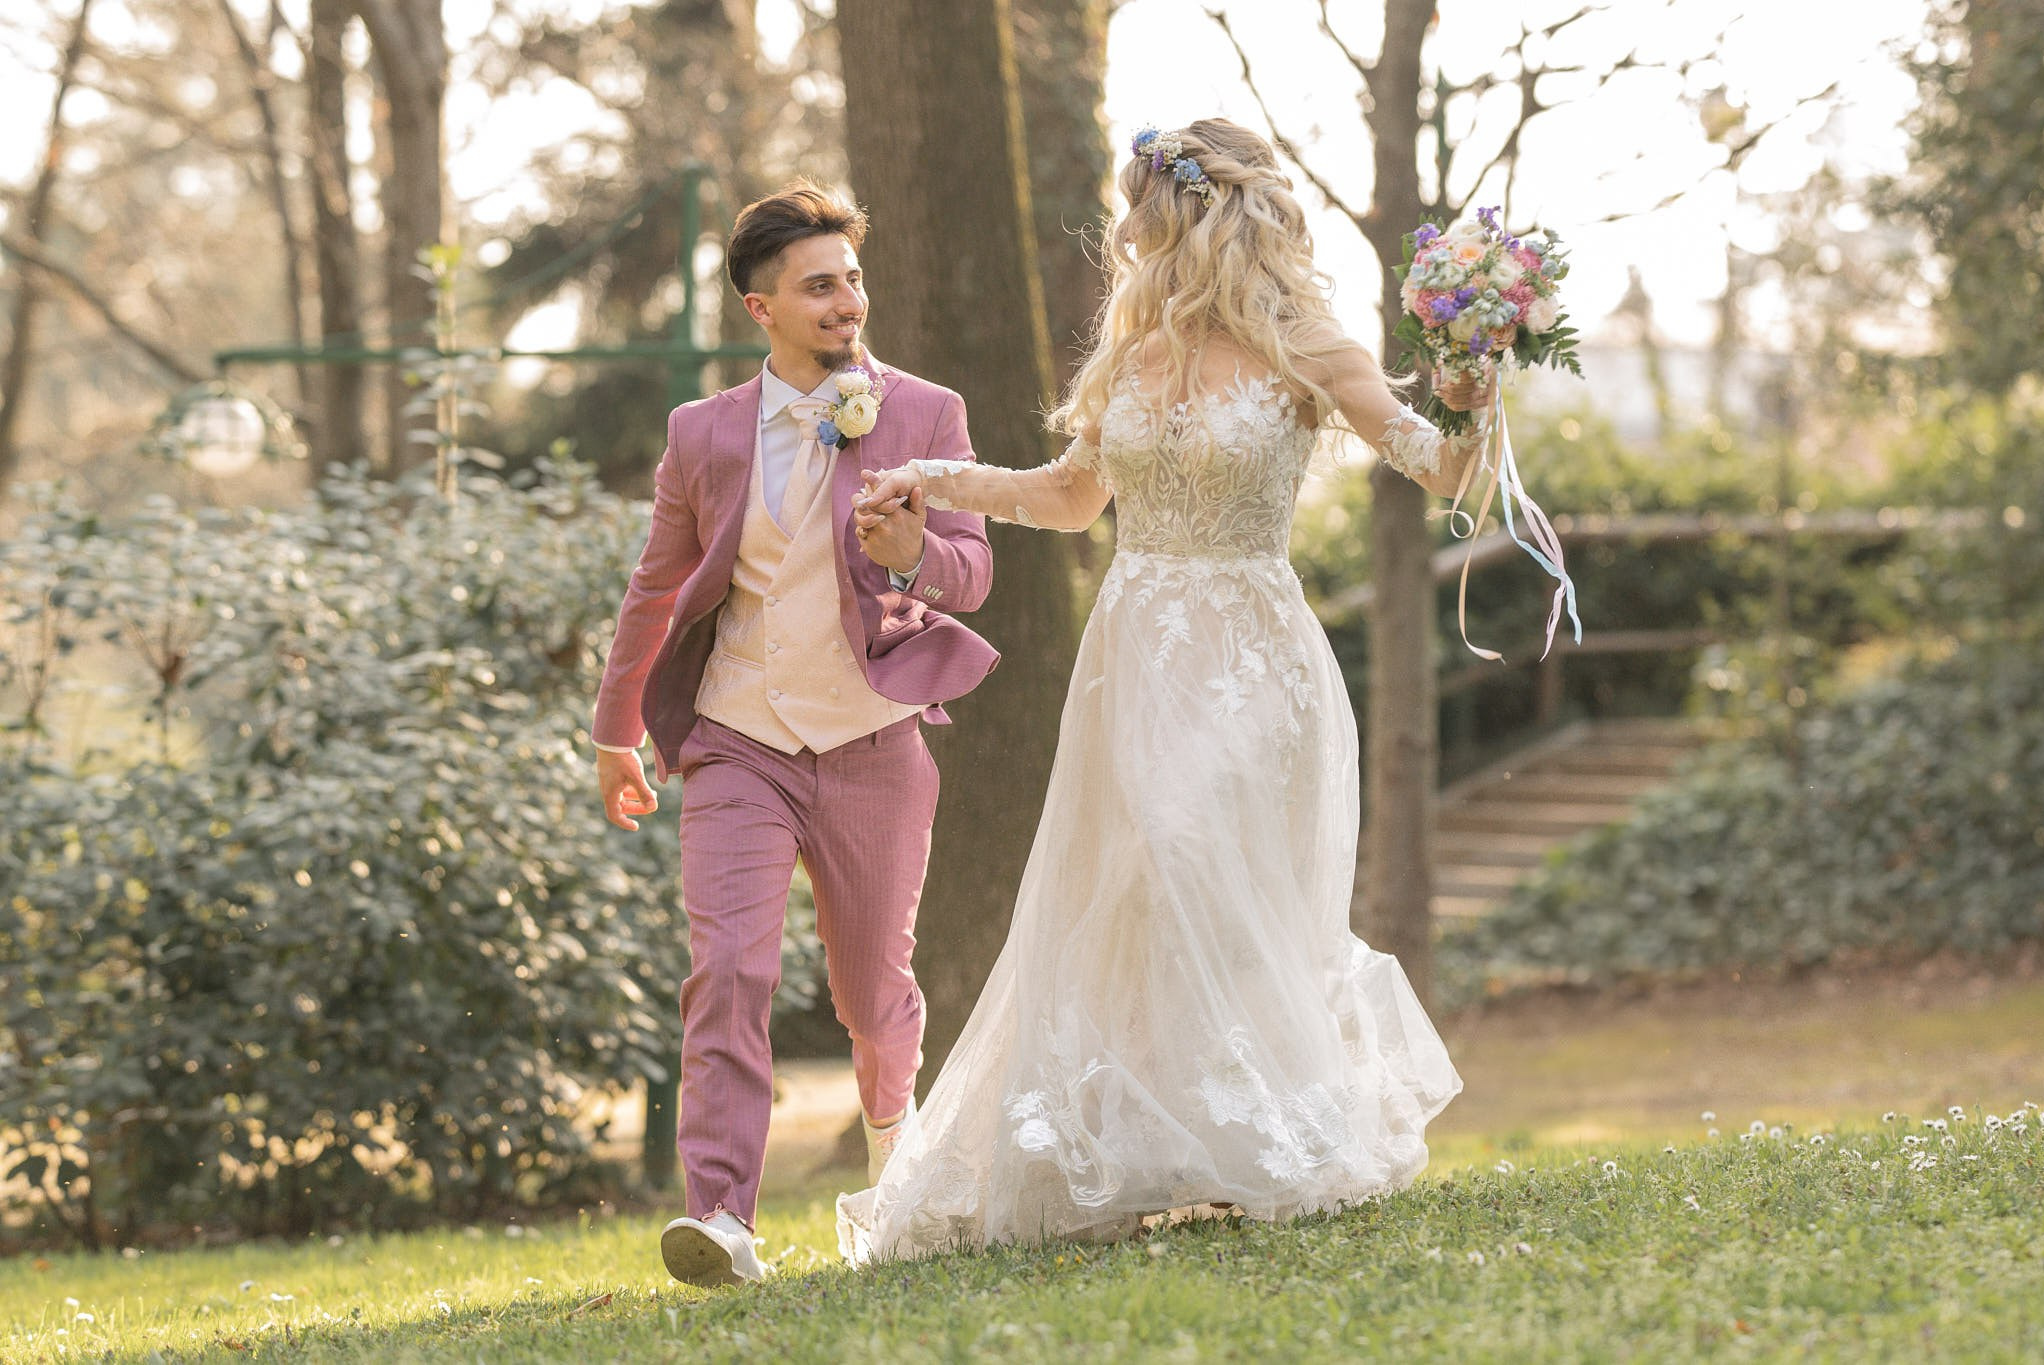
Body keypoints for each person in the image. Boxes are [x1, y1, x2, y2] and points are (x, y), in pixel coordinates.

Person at [837, 119, 1485, 1262]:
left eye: (1138, 207)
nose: (1123, 229)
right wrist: (930, 481)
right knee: (1132, 877)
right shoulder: (1128, 355)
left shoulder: (1307, 345)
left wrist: (1477, 387)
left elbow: (1437, 464)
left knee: (1199, 852)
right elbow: (1066, 498)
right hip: (1135, 649)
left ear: (1189, 213)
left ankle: (1248, 1132)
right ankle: (1152, 1145)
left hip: (1252, 649)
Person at [590, 182, 999, 1287]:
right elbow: (656, 585)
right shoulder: (704, 433)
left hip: (873, 739)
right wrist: (615, 731)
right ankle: (722, 1219)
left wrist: (916, 549)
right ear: (758, 307)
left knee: (874, 994)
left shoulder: (924, 412)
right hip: (737, 737)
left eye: (852, 280)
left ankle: (889, 1166)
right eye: (818, 285)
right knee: (726, 966)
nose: (844, 301)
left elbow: (972, 569)